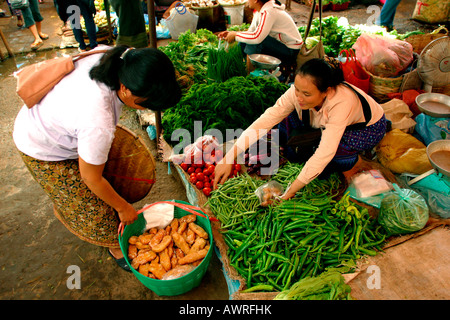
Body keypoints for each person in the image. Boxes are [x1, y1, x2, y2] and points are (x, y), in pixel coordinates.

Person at [13, 46, 181, 271]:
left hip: (61, 119)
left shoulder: (122, 58)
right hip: (41, 142)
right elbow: (90, 178)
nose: (147, 108)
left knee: (105, 179)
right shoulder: (97, 120)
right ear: (125, 88)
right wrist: (122, 208)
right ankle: (114, 244)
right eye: (145, 103)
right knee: (92, 207)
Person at [213, 58, 387, 200]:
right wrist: (229, 158)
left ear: (325, 91)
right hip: (324, 121)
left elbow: (324, 153)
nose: (299, 97)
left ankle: (354, 164)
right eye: (297, 89)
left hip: (366, 128)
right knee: (287, 118)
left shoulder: (341, 102)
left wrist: (292, 189)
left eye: (307, 94)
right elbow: (266, 120)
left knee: (333, 154)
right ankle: (308, 148)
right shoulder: (298, 94)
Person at [217, 0, 302, 72]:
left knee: (255, 41)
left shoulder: (269, 12)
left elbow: (257, 37)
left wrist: (235, 36)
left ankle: (249, 74)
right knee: (246, 40)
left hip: (290, 50)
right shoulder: (259, 11)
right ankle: (233, 66)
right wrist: (232, 33)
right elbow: (251, 32)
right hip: (278, 45)